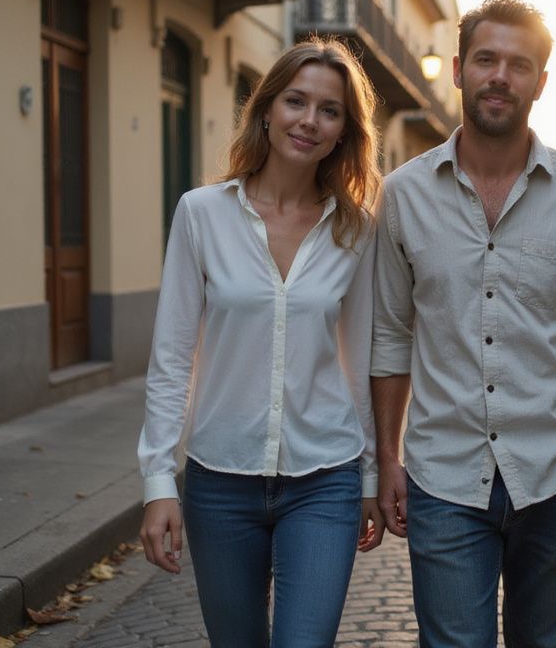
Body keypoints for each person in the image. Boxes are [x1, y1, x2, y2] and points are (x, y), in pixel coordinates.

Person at [370, 0, 556, 647]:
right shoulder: (403, 197)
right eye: (486, 59)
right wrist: (386, 457)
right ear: (459, 69)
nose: (500, 75)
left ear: (540, 83)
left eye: (518, 64)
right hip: (443, 479)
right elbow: (389, 336)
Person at [137, 38, 386, 647]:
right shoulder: (201, 215)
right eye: (296, 101)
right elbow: (171, 358)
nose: (309, 120)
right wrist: (158, 483)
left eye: (329, 110)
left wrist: (371, 478)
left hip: (325, 478)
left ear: (343, 132)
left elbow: (361, 360)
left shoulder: (357, 229)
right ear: (267, 109)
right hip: (219, 481)